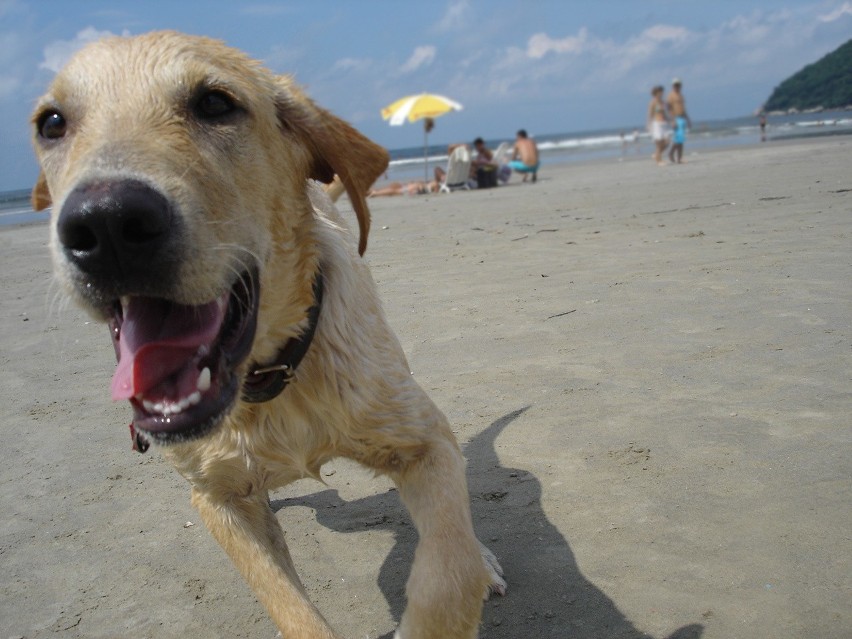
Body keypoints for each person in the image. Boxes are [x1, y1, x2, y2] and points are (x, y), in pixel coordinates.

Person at [369, 167, 446, 197]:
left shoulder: (436, 183)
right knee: (394, 189)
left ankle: (374, 192)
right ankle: (374, 192)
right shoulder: (437, 184)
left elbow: (437, 170)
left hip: (415, 186)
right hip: (415, 186)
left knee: (394, 189)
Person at [666, 78, 692, 164]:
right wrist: (672, 120)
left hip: (682, 117)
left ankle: (678, 156)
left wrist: (688, 119)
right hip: (676, 118)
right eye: (675, 85)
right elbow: (668, 108)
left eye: (678, 85)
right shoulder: (671, 95)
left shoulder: (681, 95)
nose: (677, 87)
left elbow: (683, 109)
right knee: (679, 138)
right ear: (673, 86)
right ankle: (673, 154)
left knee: (680, 139)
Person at [647, 85, 669, 166]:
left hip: (664, 123)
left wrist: (670, 120)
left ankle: (656, 155)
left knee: (667, 142)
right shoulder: (653, 102)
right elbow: (650, 114)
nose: (662, 93)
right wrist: (649, 125)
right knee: (659, 143)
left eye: (662, 92)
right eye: (660, 92)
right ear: (656, 93)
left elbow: (664, 113)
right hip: (657, 124)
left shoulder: (663, 102)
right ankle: (659, 161)